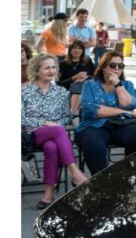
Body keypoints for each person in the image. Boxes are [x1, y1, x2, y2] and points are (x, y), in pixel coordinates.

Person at [22, 54, 89, 208]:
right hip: (31, 134)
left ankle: (48, 194)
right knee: (58, 130)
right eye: (47, 68)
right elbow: (20, 118)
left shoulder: (60, 92)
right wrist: (45, 122)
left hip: (54, 136)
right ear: (37, 70)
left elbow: (66, 117)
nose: (51, 71)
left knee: (52, 147)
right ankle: (75, 172)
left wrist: (54, 126)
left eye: (53, 67)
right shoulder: (25, 91)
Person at [74, 52, 136, 175]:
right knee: (93, 144)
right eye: (113, 65)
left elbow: (129, 105)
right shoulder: (90, 85)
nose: (117, 69)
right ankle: (101, 179)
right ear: (103, 67)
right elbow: (92, 110)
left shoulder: (127, 85)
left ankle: (128, 173)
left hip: (120, 124)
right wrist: (122, 111)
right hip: (94, 125)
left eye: (121, 66)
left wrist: (118, 84)